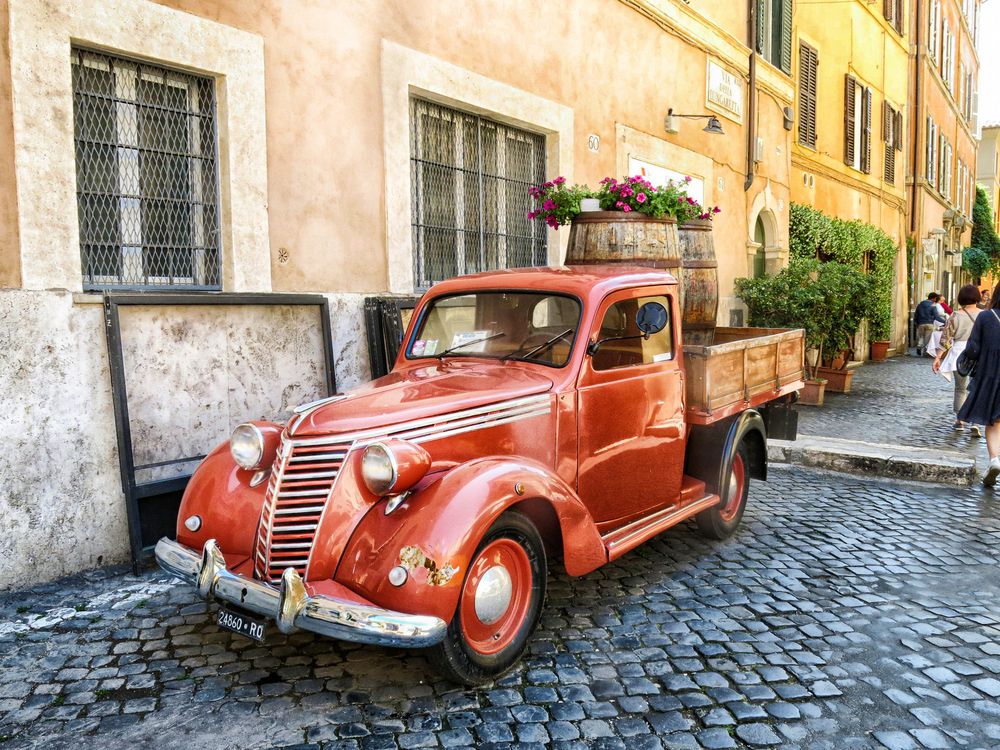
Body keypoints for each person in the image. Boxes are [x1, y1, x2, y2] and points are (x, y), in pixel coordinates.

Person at [956, 286, 1000, 486]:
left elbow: (973, 348)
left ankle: (994, 460)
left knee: (993, 422)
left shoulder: (986, 317)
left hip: (990, 374)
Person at [933, 285, 982, 436]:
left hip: (958, 355)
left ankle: (960, 420)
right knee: (977, 389)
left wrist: (938, 357)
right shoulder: (984, 315)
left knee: (960, 389)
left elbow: (946, 338)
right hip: (979, 354)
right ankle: (975, 422)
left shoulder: (955, 316)